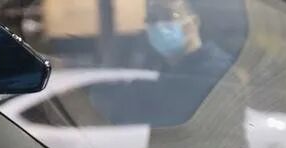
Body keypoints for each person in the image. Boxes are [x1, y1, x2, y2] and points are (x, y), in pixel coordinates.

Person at [91, 0, 233, 127]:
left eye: (168, 16)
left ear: (193, 21)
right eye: (152, 18)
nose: (158, 25)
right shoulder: (155, 72)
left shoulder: (220, 74)